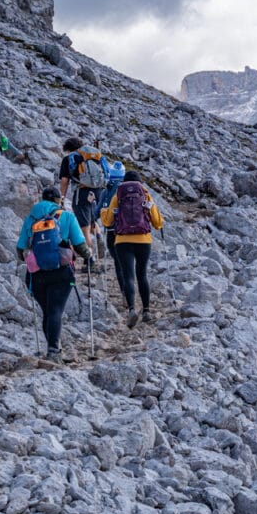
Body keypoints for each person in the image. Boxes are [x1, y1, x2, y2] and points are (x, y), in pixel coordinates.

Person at [16, 185, 91, 358]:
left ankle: (51, 348)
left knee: (47, 311)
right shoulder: (66, 216)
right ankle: (53, 351)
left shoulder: (31, 218)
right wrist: (89, 256)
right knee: (56, 310)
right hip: (62, 272)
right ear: (59, 200)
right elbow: (80, 245)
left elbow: (20, 251)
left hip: (37, 274)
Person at [100, 170, 164, 328]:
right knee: (142, 274)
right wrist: (160, 222)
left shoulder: (118, 194)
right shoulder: (145, 194)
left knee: (128, 275)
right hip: (143, 240)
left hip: (122, 240)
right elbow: (157, 222)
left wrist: (102, 211)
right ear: (139, 182)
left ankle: (131, 310)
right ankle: (147, 311)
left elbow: (108, 222)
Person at [58, 137, 106, 268]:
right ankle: (98, 234)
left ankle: (90, 260)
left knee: (83, 227)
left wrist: (61, 198)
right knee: (92, 218)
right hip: (98, 191)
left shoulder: (69, 159)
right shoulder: (93, 155)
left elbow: (64, 181)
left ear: (68, 149)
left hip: (83, 192)